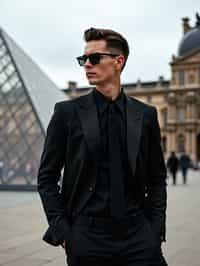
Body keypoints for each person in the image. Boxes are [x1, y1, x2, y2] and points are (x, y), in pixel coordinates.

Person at [37, 27, 167, 266]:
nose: (87, 64)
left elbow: (157, 176)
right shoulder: (67, 113)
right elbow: (46, 177)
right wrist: (65, 232)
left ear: (119, 61)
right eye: (83, 59)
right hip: (87, 236)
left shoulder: (145, 114)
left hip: (138, 234)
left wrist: (155, 228)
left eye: (94, 58)